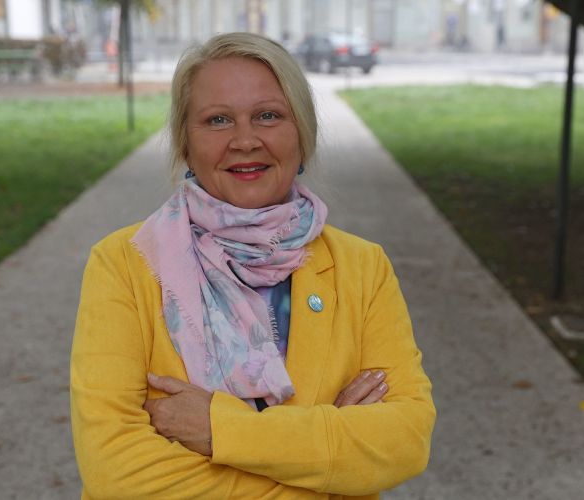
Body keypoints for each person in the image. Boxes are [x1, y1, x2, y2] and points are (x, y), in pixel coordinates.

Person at [70, 32, 435, 499]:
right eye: (218, 120)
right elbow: (115, 472)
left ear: (303, 134)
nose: (245, 140)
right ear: (185, 142)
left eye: (268, 115)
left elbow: (405, 440)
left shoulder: (363, 267)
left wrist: (221, 431)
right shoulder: (123, 265)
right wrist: (329, 468)